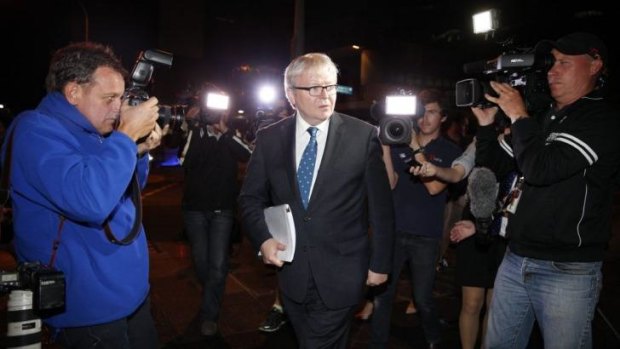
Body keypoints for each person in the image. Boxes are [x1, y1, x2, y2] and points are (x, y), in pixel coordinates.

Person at [1, 42, 164, 348]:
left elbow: (127, 193)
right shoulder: (35, 131)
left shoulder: (99, 134)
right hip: (89, 309)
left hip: (131, 295)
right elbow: (91, 202)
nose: (119, 108)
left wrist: (138, 151)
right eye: (109, 98)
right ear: (74, 92)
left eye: (121, 97)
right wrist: (126, 136)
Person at [238, 52, 395, 348]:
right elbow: (249, 199)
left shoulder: (362, 137)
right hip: (292, 277)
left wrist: (380, 264)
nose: (325, 96)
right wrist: (263, 238)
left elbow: (382, 210)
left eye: (331, 87)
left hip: (343, 274)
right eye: (313, 88)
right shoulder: (270, 138)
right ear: (290, 95)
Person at [478, 32, 620, 348]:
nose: (552, 71)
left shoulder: (601, 119)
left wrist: (518, 115)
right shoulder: (542, 117)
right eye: (551, 63)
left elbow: (540, 170)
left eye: (564, 63)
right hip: (516, 258)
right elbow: (492, 166)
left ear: (595, 65)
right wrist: (487, 124)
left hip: (567, 269)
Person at [370, 89, 462, 349]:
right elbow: (390, 183)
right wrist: (387, 147)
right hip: (395, 231)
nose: (424, 118)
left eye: (431, 112)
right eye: (421, 112)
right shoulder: (400, 139)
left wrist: (416, 148)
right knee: (383, 295)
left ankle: (434, 338)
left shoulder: (449, 150)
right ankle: (377, 343)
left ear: (443, 117)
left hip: (426, 236)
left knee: (422, 299)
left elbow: (434, 188)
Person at [178, 92, 252, 336]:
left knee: (218, 265)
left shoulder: (230, 136)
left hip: (223, 210)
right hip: (195, 210)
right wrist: (196, 127)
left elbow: (247, 154)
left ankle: (210, 314)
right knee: (201, 262)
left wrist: (225, 132)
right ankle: (210, 294)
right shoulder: (195, 134)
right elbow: (186, 161)